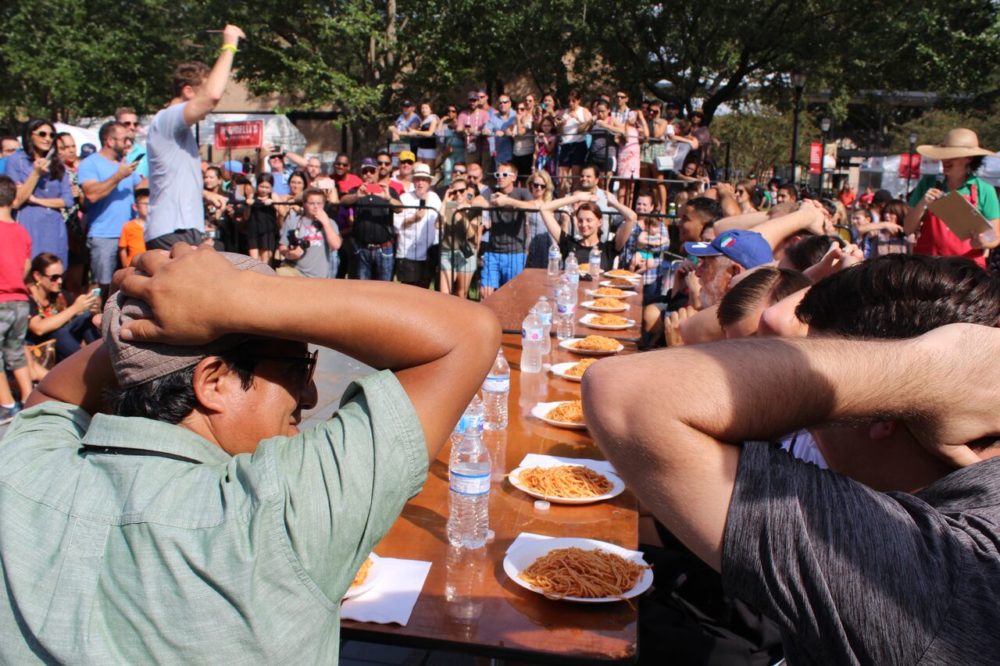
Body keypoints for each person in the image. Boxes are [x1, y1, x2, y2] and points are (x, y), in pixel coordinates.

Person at [0, 243, 501, 663]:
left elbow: (52, 392)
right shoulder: (276, 513)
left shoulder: (23, 461)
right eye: (298, 369)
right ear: (214, 383)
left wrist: (136, 329)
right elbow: (466, 334)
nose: (309, 396)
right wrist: (233, 297)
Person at [585, 254, 1000, 665]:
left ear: (888, 408)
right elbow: (779, 320)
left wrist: (920, 370)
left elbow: (625, 393)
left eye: (824, 380)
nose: (810, 420)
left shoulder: (932, 571)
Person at [145, 25, 244, 250]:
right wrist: (229, 46)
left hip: (181, 230)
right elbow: (212, 96)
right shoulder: (167, 119)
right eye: (204, 85)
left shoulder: (176, 130)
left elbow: (171, 180)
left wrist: (205, 193)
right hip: (171, 232)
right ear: (188, 91)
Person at [905, 127, 999, 269]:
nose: (945, 160)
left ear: (969, 159)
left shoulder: (984, 189)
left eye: (952, 156)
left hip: (966, 271)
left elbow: (995, 236)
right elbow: (908, 228)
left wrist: (983, 241)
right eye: (944, 155)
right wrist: (922, 204)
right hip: (929, 267)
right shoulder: (928, 183)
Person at [78, 121, 142, 296]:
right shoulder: (90, 164)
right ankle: (98, 321)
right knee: (104, 288)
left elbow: (142, 187)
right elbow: (91, 194)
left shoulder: (125, 164)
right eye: (124, 139)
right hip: (104, 235)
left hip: (129, 235)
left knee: (130, 284)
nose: (128, 143)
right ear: (109, 140)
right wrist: (118, 176)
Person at [6, 119, 74, 265]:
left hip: (54, 225)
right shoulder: (16, 161)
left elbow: (68, 200)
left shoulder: (57, 164)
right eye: (42, 134)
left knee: (54, 270)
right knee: (29, 268)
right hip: (28, 221)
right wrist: (36, 174)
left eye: (52, 135)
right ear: (30, 135)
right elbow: (17, 200)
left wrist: (37, 200)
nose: (47, 139)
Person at [25, 252, 100, 362]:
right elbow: (38, 329)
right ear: (37, 276)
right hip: (40, 348)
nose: (60, 281)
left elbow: (79, 316)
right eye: (54, 277)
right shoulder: (28, 298)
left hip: (64, 345)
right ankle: (84, 364)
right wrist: (75, 308)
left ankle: (101, 357)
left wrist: (93, 310)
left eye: (62, 276)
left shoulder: (61, 295)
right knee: (57, 332)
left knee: (86, 318)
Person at [0, 175, 33, 420]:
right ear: (14, 201)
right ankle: (29, 399)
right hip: (20, 299)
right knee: (15, 351)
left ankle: (7, 404)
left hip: (1, 298)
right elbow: (25, 266)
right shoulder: (21, 231)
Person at [339, 158, 401, 281]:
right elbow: (343, 201)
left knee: (384, 289)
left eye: (371, 171)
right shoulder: (357, 190)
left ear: (377, 172)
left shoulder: (387, 189)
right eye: (365, 171)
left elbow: (400, 209)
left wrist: (388, 198)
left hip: (384, 248)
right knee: (362, 289)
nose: (368, 174)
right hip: (362, 248)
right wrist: (357, 196)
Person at [479, 163, 533, 297]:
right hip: (493, 252)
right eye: (497, 175)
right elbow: (475, 201)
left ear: (513, 177)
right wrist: (494, 203)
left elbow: (534, 205)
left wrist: (508, 201)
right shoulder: (491, 191)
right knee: (486, 293)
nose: (500, 178)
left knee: (513, 295)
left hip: (515, 253)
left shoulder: (522, 192)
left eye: (504, 175)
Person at [438, 176, 486, 299]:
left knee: (461, 294)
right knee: (444, 294)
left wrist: (461, 216)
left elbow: (473, 236)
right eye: (455, 191)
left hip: (467, 253)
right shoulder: (449, 206)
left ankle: (459, 318)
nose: (458, 194)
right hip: (448, 252)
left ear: (467, 191)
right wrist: (445, 201)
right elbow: (437, 225)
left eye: (461, 191)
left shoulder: (474, 210)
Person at [276, 188, 341, 278]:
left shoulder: (330, 223)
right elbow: (282, 246)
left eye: (319, 203)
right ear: (304, 204)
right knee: (279, 275)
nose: (315, 206)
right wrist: (290, 254)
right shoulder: (293, 221)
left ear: (324, 204)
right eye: (311, 203)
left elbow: (336, 245)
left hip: (319, 275)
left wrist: (326, 223)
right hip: (294, 270)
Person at [394, 163, 440, 288]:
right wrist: (414, 218)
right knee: (408, 291)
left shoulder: (435, 198)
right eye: (418, 179)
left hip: (428, 254)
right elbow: (397, 224)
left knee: (424, 291)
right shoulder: (404, 198)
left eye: (424, 180)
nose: (420, 183)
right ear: (413, 181)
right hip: (407, 254)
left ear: (429, 182)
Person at [555, 90, 592, 195]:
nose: (571, 103)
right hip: (566, 144)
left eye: (574, 101)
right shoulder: (564, 112)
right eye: (569, 101)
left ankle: (574, 203)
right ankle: (561, 203)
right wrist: (560, 125)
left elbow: (586, 128)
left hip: (578, 144)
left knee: (576, 176)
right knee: (562, 177)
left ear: (579, 100)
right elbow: (560, 133)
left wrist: (577, 118)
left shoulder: (584, 111)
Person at [245, 173, 279, 265]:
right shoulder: (252, 196)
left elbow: (282, 212)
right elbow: (246, 216)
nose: (264, 190)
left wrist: (273, 203)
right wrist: (248, 206)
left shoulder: (273, 196)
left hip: (268, 231)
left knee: (265, 262)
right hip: (253, 231)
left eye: (267, 187)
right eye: (261, 186)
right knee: (254, 261)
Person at [118, 188, 149, 268]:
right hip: (133, 266)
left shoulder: (155, 226)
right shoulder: (128, 226)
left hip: (149, 264)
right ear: (135, 207)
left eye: (150, 204)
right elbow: (122, 249)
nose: (148, 207)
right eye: (145, 204)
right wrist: (125, 266)